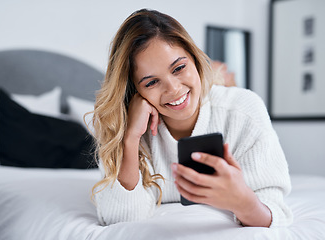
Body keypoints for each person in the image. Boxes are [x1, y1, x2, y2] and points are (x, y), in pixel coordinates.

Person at [91, 9, 292, 227]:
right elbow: (119, 220)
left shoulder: (243, 111)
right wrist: (130, 138)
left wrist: (243, 202)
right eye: (151, 82)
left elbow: (276, 215)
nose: (174, 89)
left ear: (195, 59)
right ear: (134, 91)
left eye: (179, 68)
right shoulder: (120, 127)